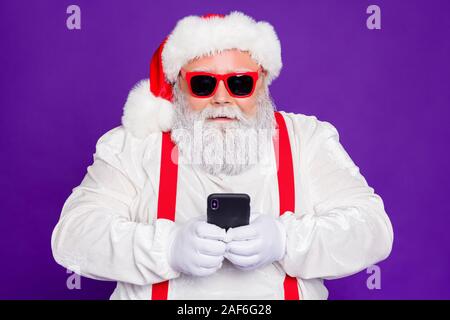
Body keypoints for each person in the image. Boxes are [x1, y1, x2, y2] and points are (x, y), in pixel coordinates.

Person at [51, 11, 393, 300]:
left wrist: (286, 240)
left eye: (239, 83)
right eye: (203, 84)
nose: (221, 99)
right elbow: (73, 238)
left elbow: (374, 229)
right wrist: (166, 248)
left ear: (262, 83)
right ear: (179, 86)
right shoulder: (133, 145)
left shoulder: (309, 140)